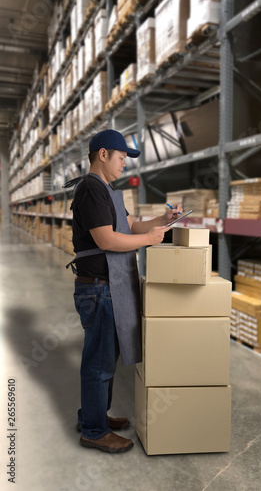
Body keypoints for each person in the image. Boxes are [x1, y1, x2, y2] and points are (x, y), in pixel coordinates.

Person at [63, 129, 180, 453]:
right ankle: (94, 430)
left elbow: (130, 228)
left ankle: (93, 415)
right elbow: (107, 240)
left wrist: (163, 220)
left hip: (108, 287)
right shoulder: (90, 188)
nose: (124, 165)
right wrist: (149, 240)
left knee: (104, 361)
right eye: (121, 158)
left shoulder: (107, 189)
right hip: (99, 289)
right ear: (103, 154)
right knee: (99, 364)